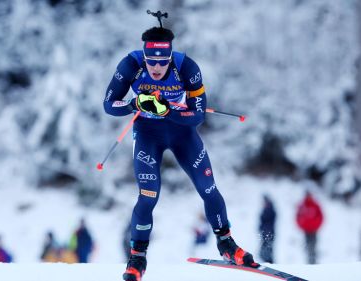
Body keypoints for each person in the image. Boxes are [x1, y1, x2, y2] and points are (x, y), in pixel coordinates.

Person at [103, 23, 256, 281]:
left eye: (162, 62)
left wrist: (167, 110)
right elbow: (109, 104)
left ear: (170, 57)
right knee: (148, 196)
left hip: (182, 133)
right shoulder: (130, 65)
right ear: (145, 56)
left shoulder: (187, 68)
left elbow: (197, 115)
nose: (156, 68)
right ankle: (137, 258)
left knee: (208, 188)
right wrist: (133, 103)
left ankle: (226, 244)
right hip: (148, 136)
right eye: (152, 62)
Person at [296, 191, 323, 264]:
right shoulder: (302, 205)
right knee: (307, 246)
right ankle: (309, 262)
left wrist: (316, 226)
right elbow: (298, 217)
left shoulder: (315, 205)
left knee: (313, 246)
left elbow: (320, 217)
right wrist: (301, 226)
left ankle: (313, 261)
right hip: (306, 230)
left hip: (314, 230)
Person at [258, 194, 276, 263]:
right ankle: (268, 263)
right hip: (265, 233)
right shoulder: (266, 210)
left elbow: (269, 223)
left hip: (269, 233)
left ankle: (270, 264)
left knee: (268, 251)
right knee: (264, 252)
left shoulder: (270, 210)